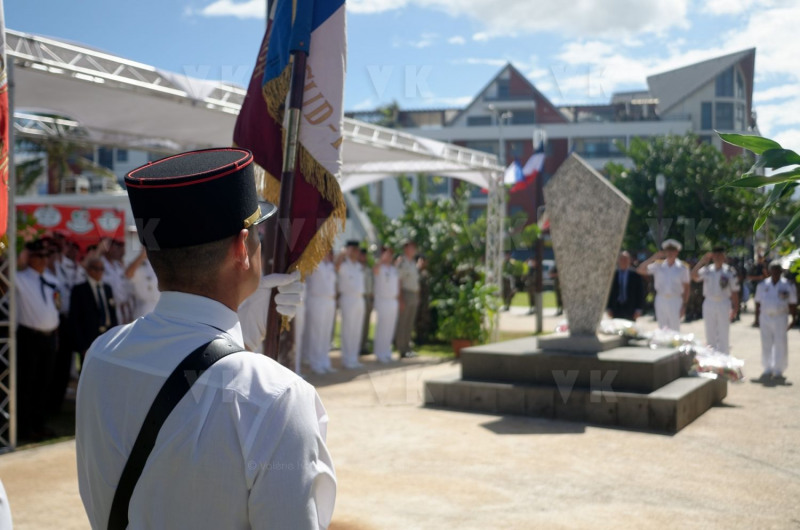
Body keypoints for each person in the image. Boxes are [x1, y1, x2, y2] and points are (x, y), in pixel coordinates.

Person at [75, 148, 335, 528]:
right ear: (241, 249)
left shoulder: (102, 355)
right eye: (258, 235)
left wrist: (241, 338)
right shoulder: (279, 397)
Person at [14, 239, 60, 441]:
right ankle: (24, 428)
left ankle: (39, 424)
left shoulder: (50, 278)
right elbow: (5, 275)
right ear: (29, 257)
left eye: (45, 255)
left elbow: (56, 305)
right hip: (29, 337)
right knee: (27, 384)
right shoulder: (20, 277)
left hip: (49, 337)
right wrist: (19, 257)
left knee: (44, 383)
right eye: (38, 255)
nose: (43, 259)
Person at [754, 260, 798, 381]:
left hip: (781, 317)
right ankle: (767, 367)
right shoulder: (763, 285)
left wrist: (793, 318)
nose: (775, 273)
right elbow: (757, 302)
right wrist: (756, 318)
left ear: (781, 271)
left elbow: (793, 303)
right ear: (769, 271)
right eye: (773, 270)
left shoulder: (787, 285)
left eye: (777, 270)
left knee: (780, 343)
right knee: (766, 342)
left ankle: (779, 369)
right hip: (765, 316)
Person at [691, 246, 740, 354]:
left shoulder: (729, 271)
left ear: (724, 257)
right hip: (709, 302)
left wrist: (735, 307)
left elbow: (734, 291)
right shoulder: (707, 270)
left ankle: (724, 358)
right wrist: (702, 262)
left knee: (723, 331)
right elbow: (693, 276)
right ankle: (711, 358)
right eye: (715, 255)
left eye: (720, 255)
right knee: (710, 331)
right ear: (712, 256)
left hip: (724, 302)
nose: (718, 258)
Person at [69, 258, 118, 364]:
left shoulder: (107, 288)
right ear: (89, 270)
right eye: (96, 269)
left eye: (102, 269)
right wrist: (82, 346)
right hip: (89, 338)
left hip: (107, 336)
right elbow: (74, 319)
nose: (99, 272)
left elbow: (112, 314)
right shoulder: (79, 290)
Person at [637, 239, 690, 331]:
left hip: (675, 299)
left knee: (674, 328)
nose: (670, 253)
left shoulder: (682, 268)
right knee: (662, 327)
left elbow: (687, 288)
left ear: (677, 252)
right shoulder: (658, 265)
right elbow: (640, 270)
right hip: (661, 299)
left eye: (672, 250)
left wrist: (684, 306)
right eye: (667, 250)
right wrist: (653, 258)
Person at [304, 251, 337, 374]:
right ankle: (315, 362)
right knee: (316, 333)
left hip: (329, 300)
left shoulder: (330, 265)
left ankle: (324, 361)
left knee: (326, 333)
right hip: (317, 299)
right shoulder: (313, 263)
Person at [336, 240, 366, 369]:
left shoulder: (359, 266)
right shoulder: (344, 265)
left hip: (359, 299)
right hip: (348, 298)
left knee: (356, 330)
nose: (356, 252)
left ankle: (353, 358)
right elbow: (335, 266)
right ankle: (347, 358)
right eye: (354, 250)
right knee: (348, 329)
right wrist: (343, 253)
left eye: (357, 250)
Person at [373, 246, 400, 363]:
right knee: (382, 327)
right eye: (387, 254)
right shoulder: (379, 267)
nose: (389, 257)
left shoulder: (394, 269)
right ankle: (379, 353)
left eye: (390, 254)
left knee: (390, 327)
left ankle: (387, 352)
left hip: (392, 300)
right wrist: (381, 259)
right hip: (382, 300)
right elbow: (374, 270)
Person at [395, 240, 420, 358]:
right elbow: (399, 281)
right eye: (411, 247)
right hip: (405, 293)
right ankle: (401, 348)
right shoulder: (402, 262)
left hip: (413, 294)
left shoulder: (413, 262)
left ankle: (408, 347)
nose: (414, 250)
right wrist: (400, 299)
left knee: (410, 323)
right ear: (406, 249)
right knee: (403, 322)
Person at [606, 250, 646, 321]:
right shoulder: (613, 274)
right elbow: (609, 292)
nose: (623, 261)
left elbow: (640, 293)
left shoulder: (635, 274)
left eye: (626, 259)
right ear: (618, 260)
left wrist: (639, 309)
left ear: (629, 260)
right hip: (616, 308)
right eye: (621, 259)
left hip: (631, 308)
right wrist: (608, 308)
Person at [125, 247, 160, 319]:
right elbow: (129, 274)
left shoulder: (160, 263)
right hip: (143, 311)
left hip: (159, 309)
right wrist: (142, 256)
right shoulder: (138, 265)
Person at [359, 247, 374, 355]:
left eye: (365, 255)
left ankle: (364, 345)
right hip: (360, 297)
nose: (363, 257)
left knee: (366, 323)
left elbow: (372, 284)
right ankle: (357, 345)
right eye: (362, 255)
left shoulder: (368, 269)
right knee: (358, 323)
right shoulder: (356, 267)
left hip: (368, 297)